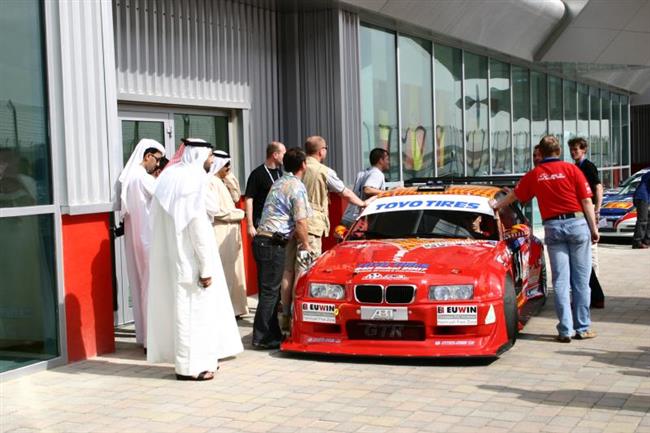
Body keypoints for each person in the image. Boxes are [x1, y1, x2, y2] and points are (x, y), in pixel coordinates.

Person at [147, 138, 243, 381]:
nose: (211, 160)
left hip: (173, 257)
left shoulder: (169, 178)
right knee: (194, 314)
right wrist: (205, 267)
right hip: (191, 261)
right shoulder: (193, 181)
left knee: (184, 311)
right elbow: (198, 227)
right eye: (209, 156)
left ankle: (194, 360)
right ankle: (192, 367)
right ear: (198, 154)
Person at [492, 135, 599, 343]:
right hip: (577, 225)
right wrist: (593, 228)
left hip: (553, 227)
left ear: (541, 152)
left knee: (560, 281)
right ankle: (583, 327)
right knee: (581, 281)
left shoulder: (536, 174)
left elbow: (515, 196)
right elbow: (586, 201)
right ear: (559, 152)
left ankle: (565, 329)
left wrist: (496, 205)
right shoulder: (572, 170)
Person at [278, 136, 368, 330]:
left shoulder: (295, 170)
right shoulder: (324, 171)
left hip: (290, 225)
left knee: (288, 271)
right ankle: (297, 317)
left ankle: (284, 316)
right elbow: (344, 192)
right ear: (321, 151)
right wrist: (362, 204)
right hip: (311, 226)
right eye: (326, 148)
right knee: (304, 271)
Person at [252, 148, 312, 349]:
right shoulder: (297, 186)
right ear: (303, 165)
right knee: (270, 292)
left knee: (268, 290)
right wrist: (306, 245)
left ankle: (272, 333)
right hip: (272, 243)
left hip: (262, 240)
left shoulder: (278, 182)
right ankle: (262, 337)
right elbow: (301, 221)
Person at [117, 139, 165, 349]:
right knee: (151, 286)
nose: (158, 164)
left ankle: (145, 336)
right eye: (157, 159)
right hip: (148, 238)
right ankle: (151, 339)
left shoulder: (130, 177)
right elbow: (164, 195)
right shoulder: (142, 178)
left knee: (141, 285)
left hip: (136, 237)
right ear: (147, 156)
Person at [206, 150, 248, 317]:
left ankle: (235, 309)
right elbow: (216, 212)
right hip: (220, 231)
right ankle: (225, 311)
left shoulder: (221, 180)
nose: (228, 168)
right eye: (226, 166)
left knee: (235, 272)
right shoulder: (210, 182)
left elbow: (236, 196)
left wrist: (229, 176)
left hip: (231, 232)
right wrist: (239, 214)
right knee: (225, 272)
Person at [569, 137, 605, 308]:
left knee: (589, 256)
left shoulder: (587, 166)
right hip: (580, 213)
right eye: (572, 149)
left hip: (587, 213)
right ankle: (592, 293)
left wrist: (597, 210)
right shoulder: (576, 167)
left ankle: (594, 294)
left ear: (583, 150)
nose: (573, 152)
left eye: (576, 149)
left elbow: (598, 187)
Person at [244, 141, 286, 237]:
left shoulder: (280, 173)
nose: (285, 157)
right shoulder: (257, 174)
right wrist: (250, 225)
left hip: (278, 222)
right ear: (275, 155)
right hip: (261, 223)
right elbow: (249, 199)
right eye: (284, 154)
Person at [341, 148, 389, 227]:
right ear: (380, 160)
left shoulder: (363, 173)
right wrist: (388, 193)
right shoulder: (377, 173)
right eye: (387, 159)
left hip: (348, 217)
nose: (388, 162)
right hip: (359, 221)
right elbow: (367, 189)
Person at [632, 170, 650, 249]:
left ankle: (646, 240)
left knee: (648, 219)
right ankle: (637, 241)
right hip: (642, 197)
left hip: (643, 197)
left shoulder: (646, 174)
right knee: (643, 220)